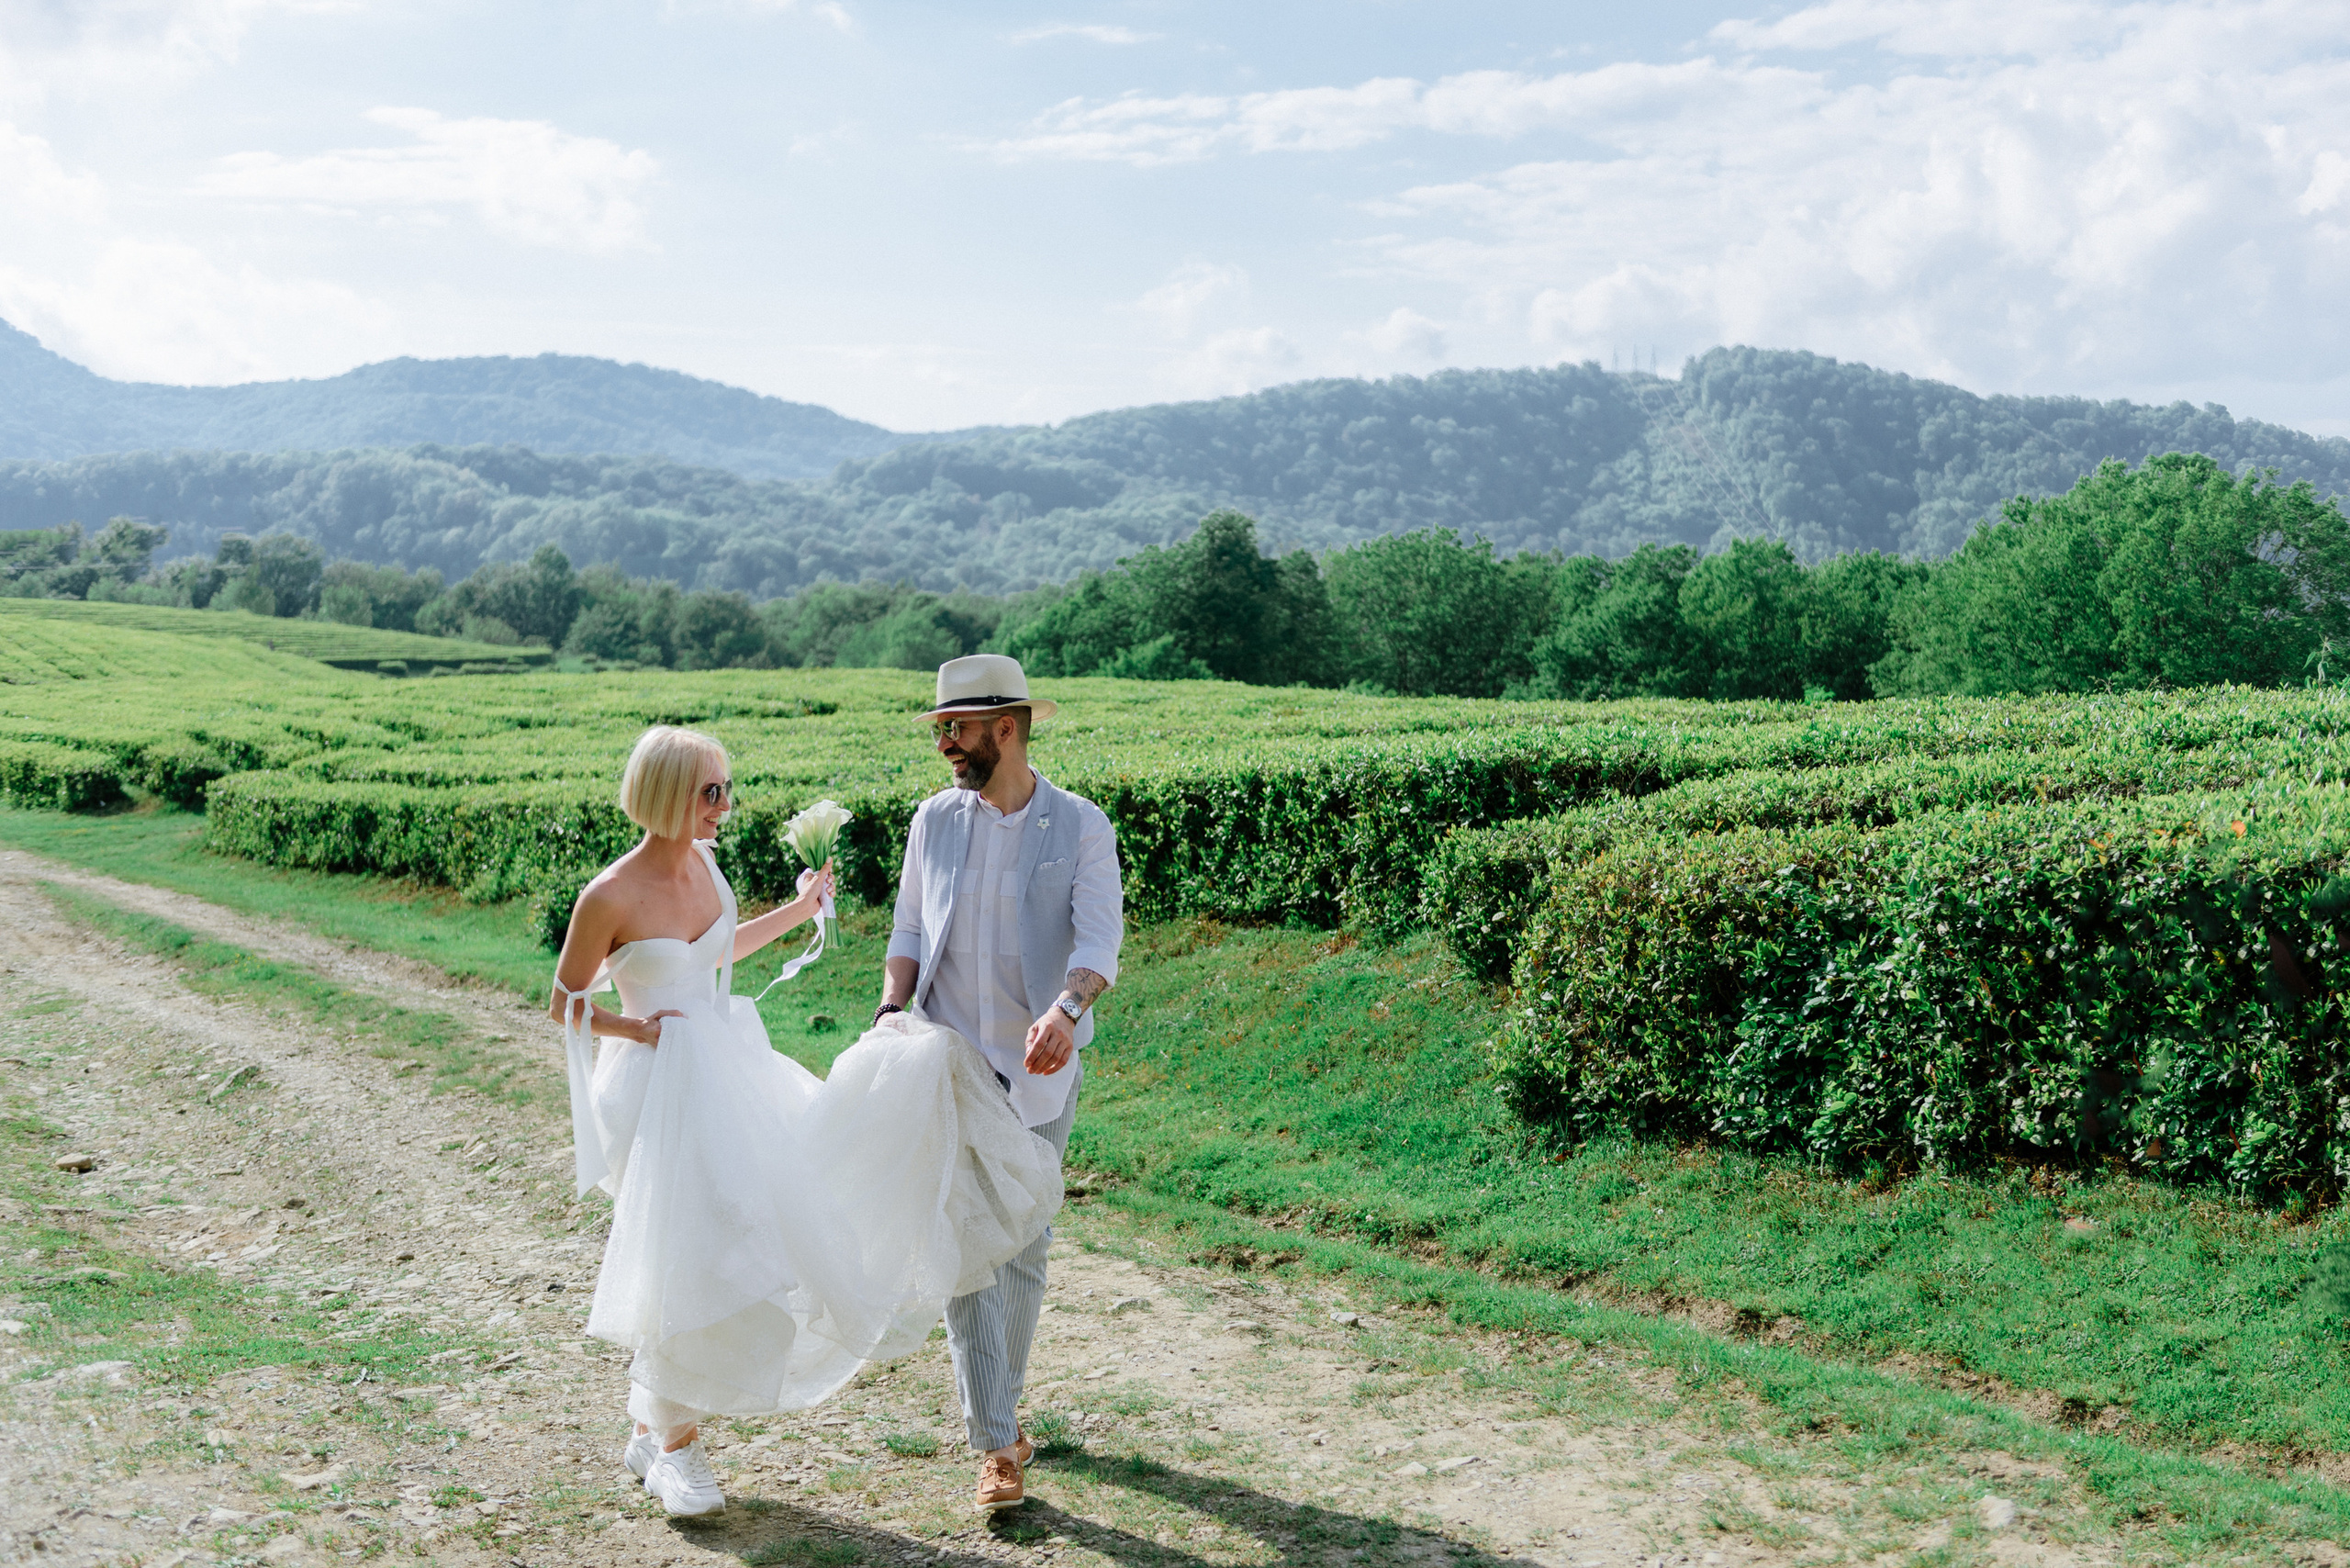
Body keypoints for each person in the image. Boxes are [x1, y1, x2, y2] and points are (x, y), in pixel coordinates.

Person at [550, 724, 1065, 1518]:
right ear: (667, 795)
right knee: (679, 1246)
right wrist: (641, 1030)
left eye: (727, 788)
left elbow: (720, 952)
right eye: (712, 791)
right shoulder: (608, 895)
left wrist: (798, 912)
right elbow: (566, 1004)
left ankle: (653, 1427)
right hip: (658, 1086)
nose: (727, 804)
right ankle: (677, 1446)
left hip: (727, 1068)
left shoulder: (707, 870)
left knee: (750, 1233)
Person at [878, 655, 1125, 1512]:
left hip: (1039, 1071)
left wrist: (1064, 1011)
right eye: (942, 729)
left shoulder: (1082, 826)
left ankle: (1004, 1418)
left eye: (958, 729)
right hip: (946, 1061)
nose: (946, 743)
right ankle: (993, 1444)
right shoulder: (933, 821)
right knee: (964, 1245)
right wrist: (889, 1007)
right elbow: (909, 925)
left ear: (1007, 728)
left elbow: (1099, 942)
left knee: (1022, 1246)